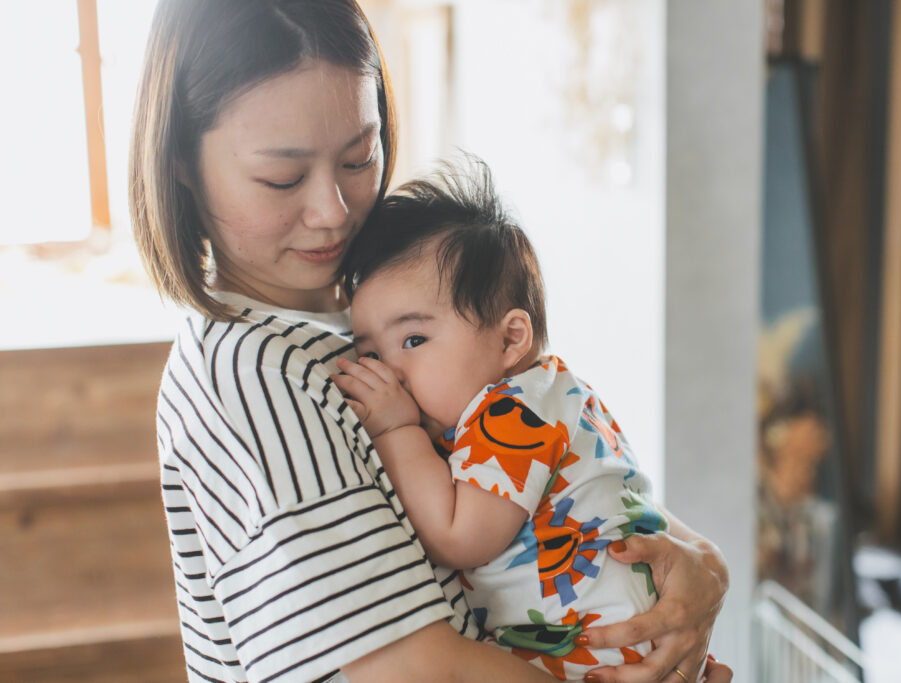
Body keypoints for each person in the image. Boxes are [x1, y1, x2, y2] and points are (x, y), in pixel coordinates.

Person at [128, 1, 731, 681]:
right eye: (283, 178)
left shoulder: (367, 306)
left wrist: (700, 564)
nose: (333, 212)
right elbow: (416, 670)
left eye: (359, 156)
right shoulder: (249, 374)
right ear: (179, 159)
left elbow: (556, 486)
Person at [333, 156, 709, 682]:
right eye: (370, 353)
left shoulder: (513, 413)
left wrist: (397, 431)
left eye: (414, 340)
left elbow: (460, 536)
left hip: (602, 659)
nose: (388, 372)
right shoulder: (551, 393)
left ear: (512, 338)